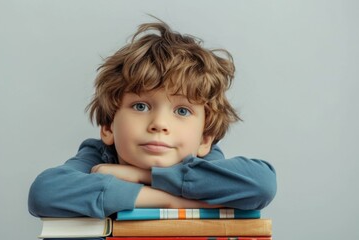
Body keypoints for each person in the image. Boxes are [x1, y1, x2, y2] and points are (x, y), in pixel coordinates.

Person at [28, 20, 277, 222]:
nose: (159, 124)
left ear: (204, 140)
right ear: (107, 127)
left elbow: (262, 184)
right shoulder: (99, 155)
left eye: (181, 111)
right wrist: (171, 201)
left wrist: (140, 175)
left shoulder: (204, 162)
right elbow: (44, 193)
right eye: (140, 106)